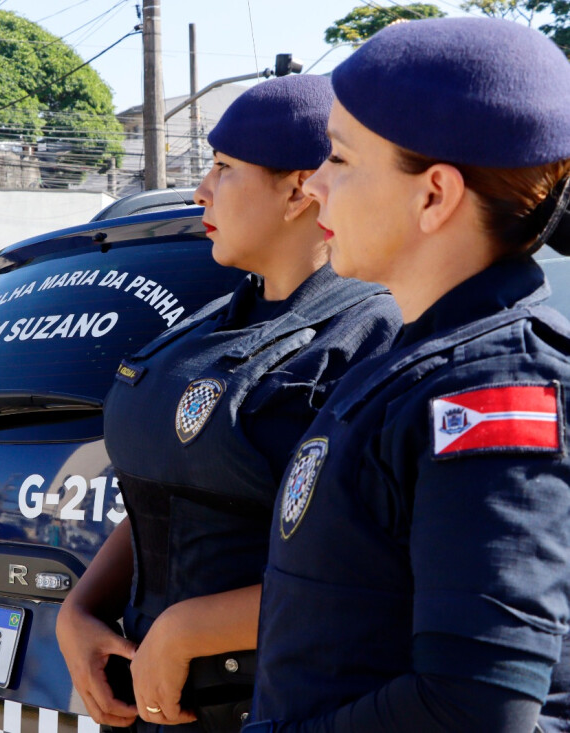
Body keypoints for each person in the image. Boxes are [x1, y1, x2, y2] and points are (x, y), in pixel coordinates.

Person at [248, 18, 570, 732]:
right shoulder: (417, 360)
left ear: (434, 195)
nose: (315, 186)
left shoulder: (494, 391)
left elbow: (473, 706)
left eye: (338, 159)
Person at [55, 75, 402, 732]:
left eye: (224, 167)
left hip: (281, 703)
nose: (201, 189)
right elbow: (173, 492)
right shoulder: (211, 323)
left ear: (301, 189)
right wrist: (81, 609)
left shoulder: (372, 334)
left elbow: (379, 574)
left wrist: (189, 629)